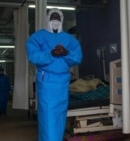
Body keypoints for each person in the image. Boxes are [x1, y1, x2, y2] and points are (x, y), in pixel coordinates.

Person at [25, 8, 82, 141]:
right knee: (48, 116)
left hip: (63, 81)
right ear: (47, 19)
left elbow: (77, 57)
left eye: (58, 17)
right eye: (52, 17)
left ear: (62, 20)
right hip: (46, 81)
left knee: (60, 115)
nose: (55, 20)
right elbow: (33, 56)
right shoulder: (37, 37)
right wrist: (50, 53)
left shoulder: (69, 39)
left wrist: (66, 53)